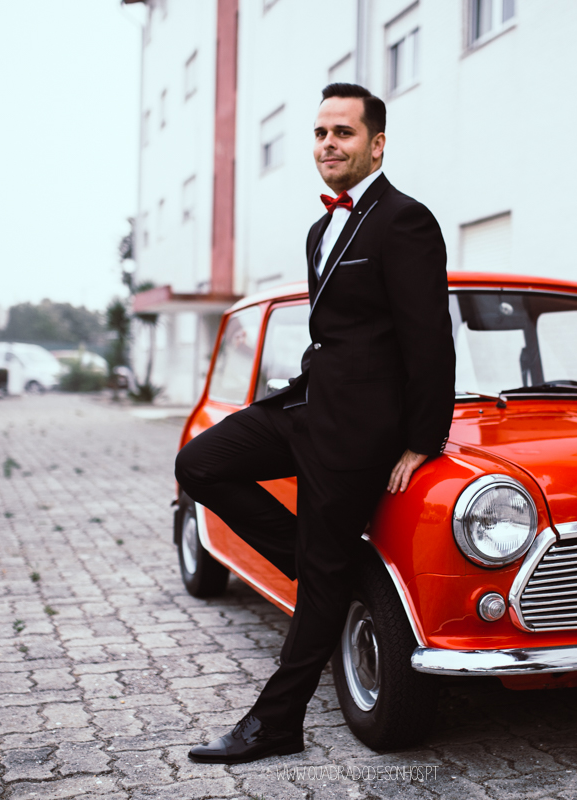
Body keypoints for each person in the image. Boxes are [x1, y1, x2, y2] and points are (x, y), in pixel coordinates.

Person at [175, 83, 455, 764]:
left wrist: (423, 440)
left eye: (344, 133)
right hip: (308, 404)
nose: (328, 144)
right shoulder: (319, 228)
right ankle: (323, 562)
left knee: (323, 583)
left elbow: (429, 340)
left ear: (376, 145)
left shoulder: (406, 220)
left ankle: (276, 723)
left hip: (360, 430)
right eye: (321, 133)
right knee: (199, 463)